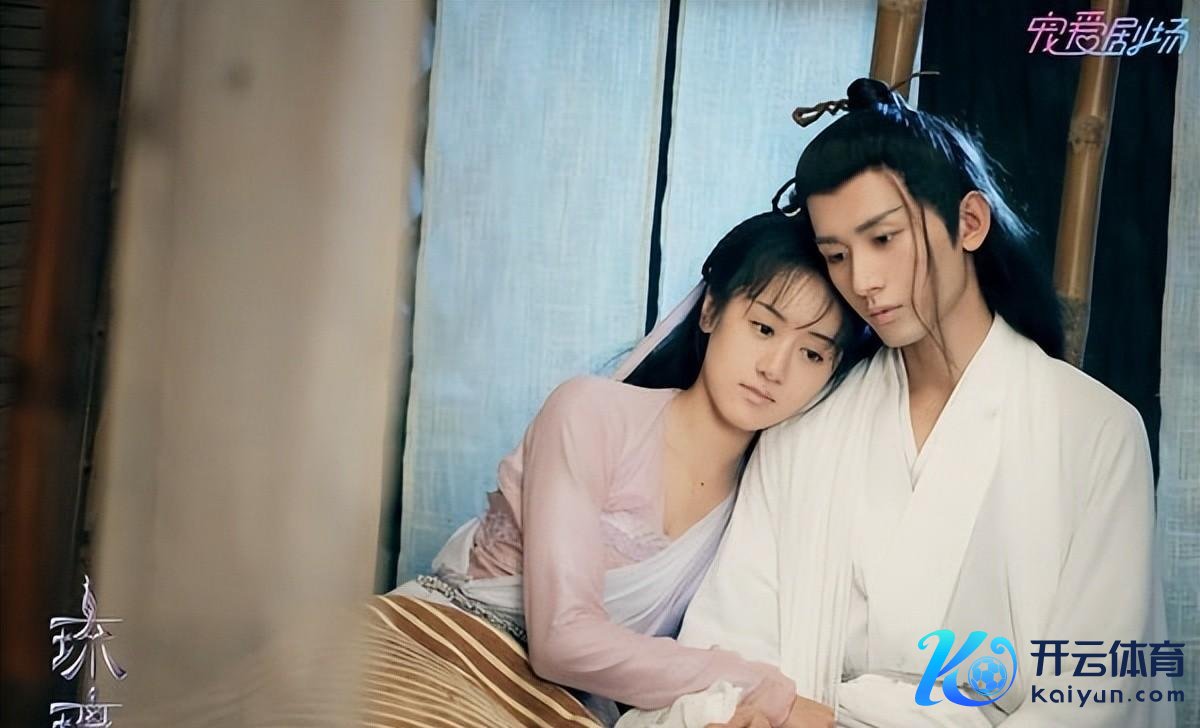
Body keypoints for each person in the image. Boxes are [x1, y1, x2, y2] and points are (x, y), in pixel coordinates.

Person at [619, 79, 1172, 728]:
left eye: (884, 239)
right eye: (837, 255)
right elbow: (732, 643)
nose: (863, 281)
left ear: (969, 223)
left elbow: (1094, 696)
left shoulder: (1096, 431)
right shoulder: (807, 425)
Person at [375, 211, 874, 727]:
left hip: (561, 711)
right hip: (431, 652)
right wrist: (763, 687)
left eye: (812, 354)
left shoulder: (763, 502)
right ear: (710, 310)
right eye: (763, 328)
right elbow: (561, 640)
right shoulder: (590, 412)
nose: (775, 368)